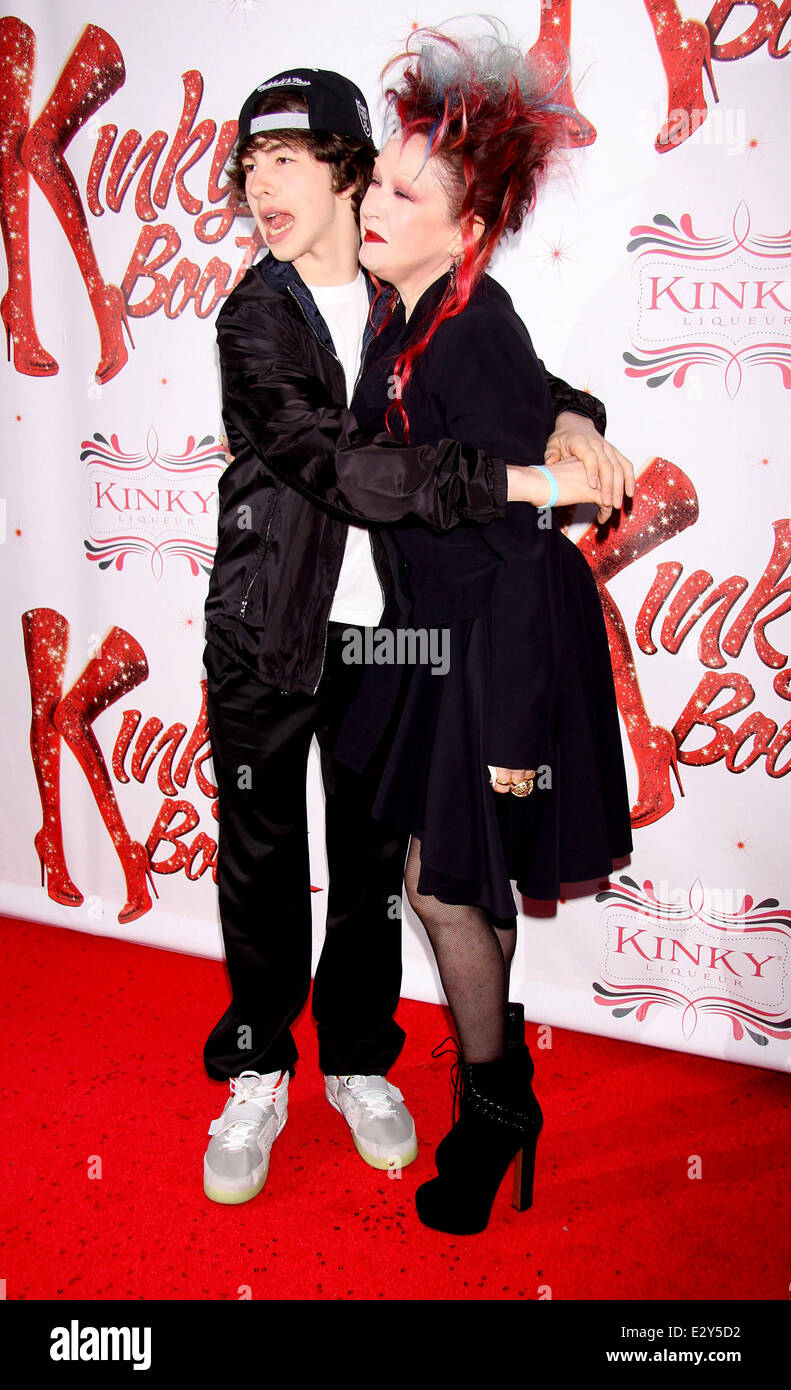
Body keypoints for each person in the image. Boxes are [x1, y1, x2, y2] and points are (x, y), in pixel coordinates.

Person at [203, 64, 633, 1207]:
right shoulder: (254, 316)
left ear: (348, 175)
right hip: (267, 633)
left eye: (288, 160)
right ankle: (256, 1067)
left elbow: (522, 376)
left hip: (388, 647)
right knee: (259, 865)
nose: (262, 186)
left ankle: (354, 1058)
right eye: (249, 165)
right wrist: (523, 477)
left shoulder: (410, 297)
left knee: (372, 874)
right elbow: (339, 466)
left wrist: (573, 418)